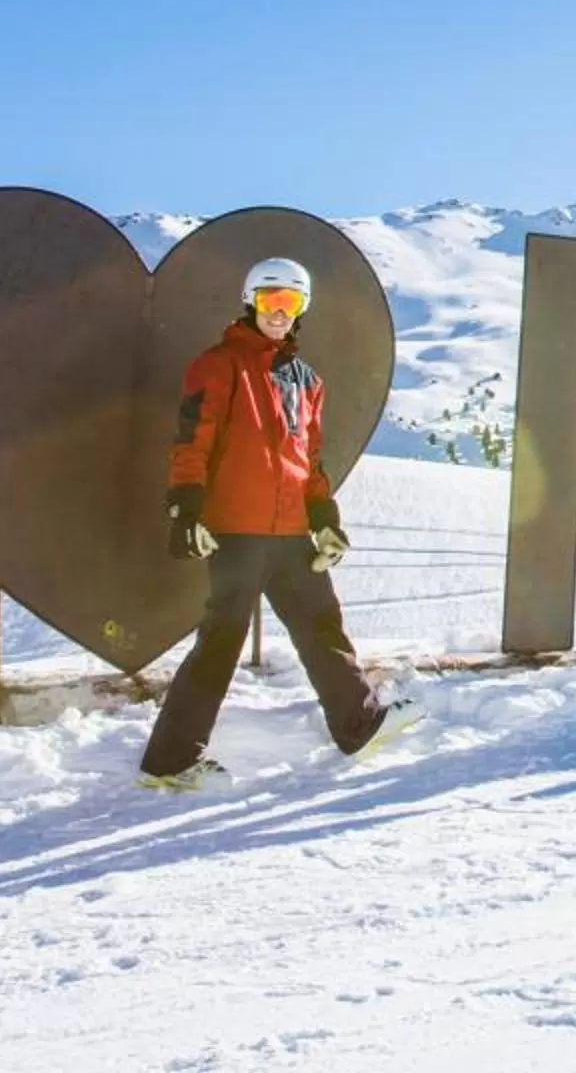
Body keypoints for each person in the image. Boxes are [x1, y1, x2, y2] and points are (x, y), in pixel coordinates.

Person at [138, 257, 410, 791]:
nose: (279, 313)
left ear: (302, 310)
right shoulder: (218, 366)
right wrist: (186, 509)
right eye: (270, 301)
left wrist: (325, 521)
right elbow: (193, 440)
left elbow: (309, 464)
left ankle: (358, 724)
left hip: (290, 535)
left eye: (291, 303)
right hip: (236, 531)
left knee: (322, 626)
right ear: (251, 303)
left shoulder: (307, 382)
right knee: (222, 639)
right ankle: (168, 763)